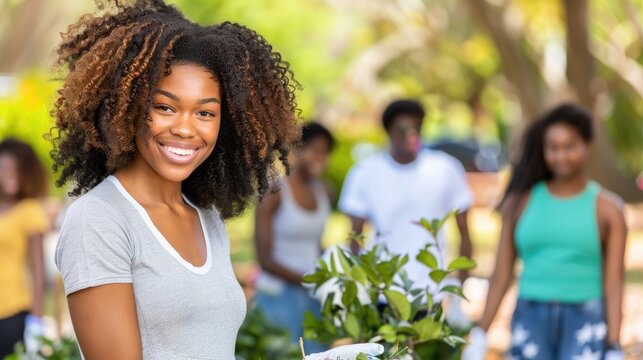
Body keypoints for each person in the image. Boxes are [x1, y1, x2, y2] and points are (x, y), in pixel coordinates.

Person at [51, 1, 301, 358]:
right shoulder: (99, 220)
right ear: (127, 108)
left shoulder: (206, 216)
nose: (185, 128)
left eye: (205, 112)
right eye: (165, 107)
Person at [464, 104, 627, 360]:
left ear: (587, 146)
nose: (561, 155)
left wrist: (614, 344)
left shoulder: (608, 209)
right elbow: (501, 273)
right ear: (544, 150)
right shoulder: (520, 203)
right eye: (553, 147)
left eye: (569, 146)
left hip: (585, 319)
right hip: (531, 316)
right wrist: (481, 333)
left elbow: (614, 281)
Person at [338, 99, 474, 296]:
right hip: (382, 291)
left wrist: (459, 292)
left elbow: (465, 234)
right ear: (389, 131)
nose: (411, 134)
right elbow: (354, 238)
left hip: (431, 294)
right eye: (403, 129)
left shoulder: (446, 169)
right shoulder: (364, 172)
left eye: (416, 128)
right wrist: (357, 289)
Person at [254, 121, 334, 352]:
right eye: (316, 150)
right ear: (297, 150)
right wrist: (307, 279)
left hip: (313, 296)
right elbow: (264, 259)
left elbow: (316, 245)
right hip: (278, 296)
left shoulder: (324, 191)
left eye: (326, 153)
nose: (321, 158)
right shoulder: (275, 191)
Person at [0, 138, 49, 357]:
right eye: (5, 169)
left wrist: (36, 321)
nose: (11, 175)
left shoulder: (29, 211)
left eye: (17, 170)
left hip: (14, 312)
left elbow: (38, 269)